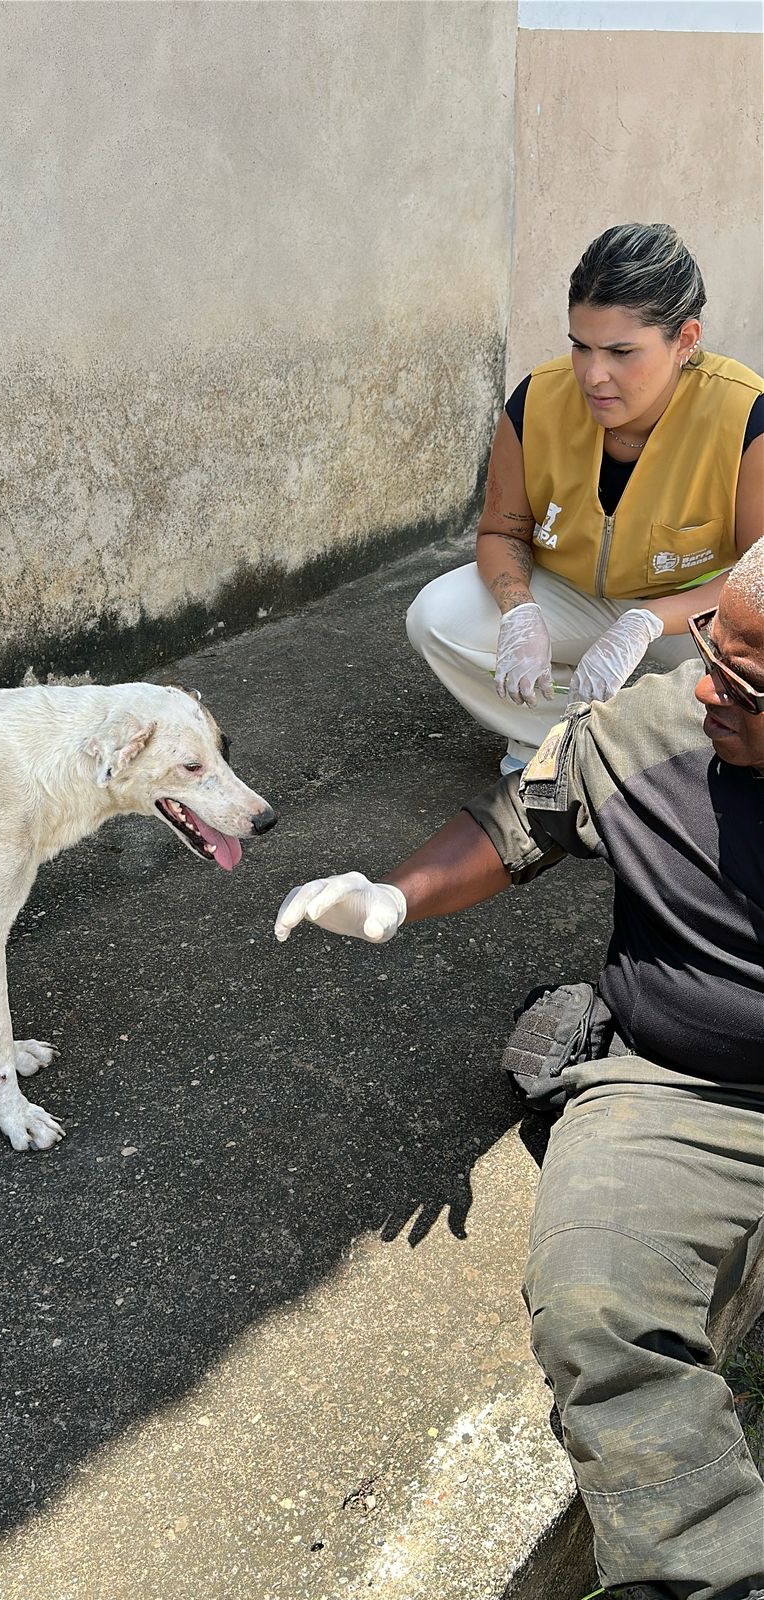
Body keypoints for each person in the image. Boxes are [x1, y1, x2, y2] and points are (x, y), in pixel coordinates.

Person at [274, 540, 764, 1600]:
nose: (711, 687)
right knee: (595, 1307)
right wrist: (396, 896)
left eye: (749, 685)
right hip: (677, 1087)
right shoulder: (657, 731)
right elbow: (520, 820)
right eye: (714, 650)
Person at [405, 223, 764, 775]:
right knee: (436, 616)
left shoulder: (745, 416)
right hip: (568, 595)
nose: (594, 375)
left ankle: (629, 738)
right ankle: (567, 743)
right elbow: (502, 531)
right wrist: (519, 610)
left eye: (622, 351)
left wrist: (643, 623)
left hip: (686, 618)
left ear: (685, 340)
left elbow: (755, 573)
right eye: (581, 347)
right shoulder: (537, 400)